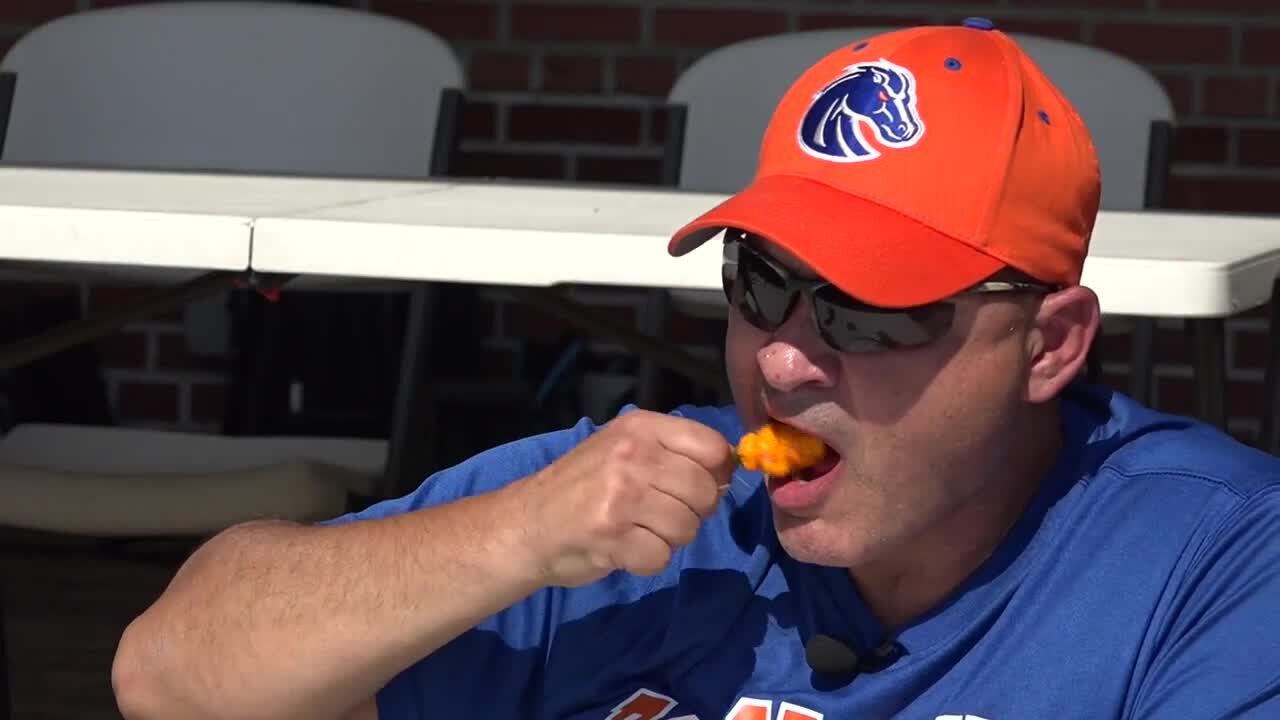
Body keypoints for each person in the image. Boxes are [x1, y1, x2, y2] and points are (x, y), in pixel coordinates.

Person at [111, 20, 1280, 720]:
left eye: (868, 310)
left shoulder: (1212, 561)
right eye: (758, 283)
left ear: (1049, 344)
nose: (780, 356)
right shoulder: (611, 516)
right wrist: (511, 536)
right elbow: (169, 677)